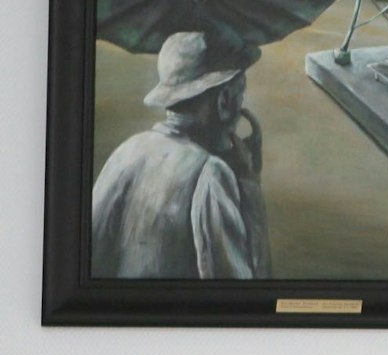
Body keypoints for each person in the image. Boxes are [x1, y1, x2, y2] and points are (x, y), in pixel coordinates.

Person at [90, 29, 271, 279]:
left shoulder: (126, 152)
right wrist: (249, 183)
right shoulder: (210, 173)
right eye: (241, 93)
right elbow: (240, 292)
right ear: (224, 101)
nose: (242, 105)